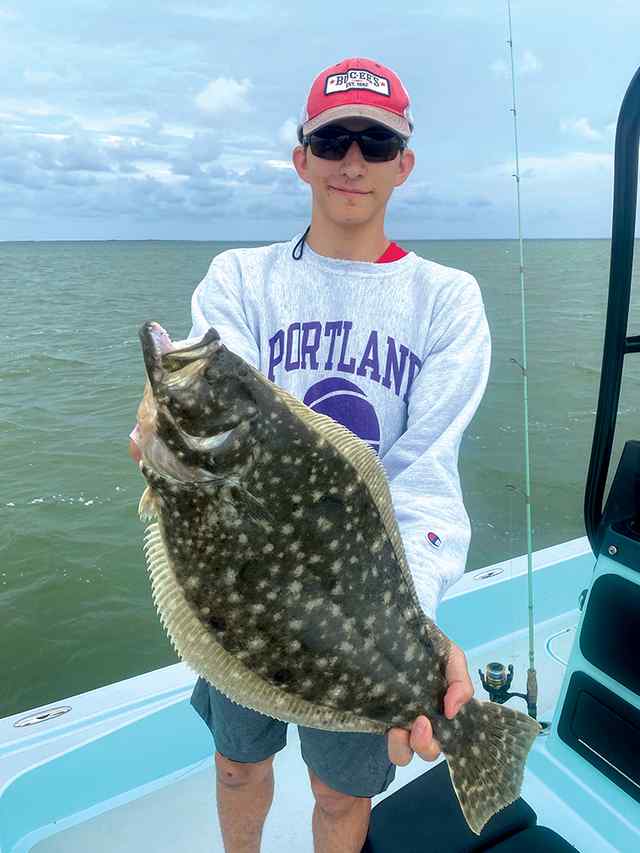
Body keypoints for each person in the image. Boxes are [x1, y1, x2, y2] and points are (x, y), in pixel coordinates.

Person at [130, 56, 491, 853]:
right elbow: (221, 430)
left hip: (361, 607)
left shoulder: (448, 299)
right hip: (246, 585)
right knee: (235, 765)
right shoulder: (240, 279)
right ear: (302, 159)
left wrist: (416, 630)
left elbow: (426, 479)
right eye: (332, 141)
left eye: (374, 140)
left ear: (405, 162)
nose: (352, 161)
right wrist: (162, 433)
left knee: (337, 795)